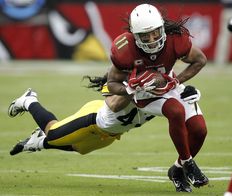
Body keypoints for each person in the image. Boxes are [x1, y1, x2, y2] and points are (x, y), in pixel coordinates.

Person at [106, 3, 208, 192]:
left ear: (161, 27)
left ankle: (177, 170)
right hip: (144, 94)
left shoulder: (175, 39)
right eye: (145, 35)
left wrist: (176, 80)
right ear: (135, 35)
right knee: (175, 110)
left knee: (199, 130)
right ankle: (188, 163)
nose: (152, 39)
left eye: (155, 32)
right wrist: (130, 89)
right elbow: (111, 83)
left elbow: (200, 60)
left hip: (169, 84)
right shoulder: (124, 48)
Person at [8, 76, 156, 156]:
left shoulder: (164, 94)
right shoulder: (133, 79)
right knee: (53, 133)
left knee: (80, 148)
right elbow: (111, 94)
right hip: (94, 117)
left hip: (113, 132)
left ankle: (38, 142)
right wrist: (133, 89)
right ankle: (29, 100)